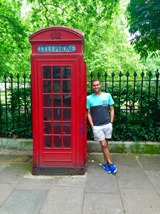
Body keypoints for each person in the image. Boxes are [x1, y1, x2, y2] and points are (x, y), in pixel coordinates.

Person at [87, 79, 117, 174]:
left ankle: (105, 163)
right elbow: (88, 113)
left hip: (107, 124)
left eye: (97, 85)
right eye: (94, 85)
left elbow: (112, 109)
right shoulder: (89, 98)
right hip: (97, 126)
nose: (96, 87)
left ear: (100, 85)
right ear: (92, 87)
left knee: (105, 145)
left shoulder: (107, 95)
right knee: (104, 144)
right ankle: (110, 163)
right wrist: (92, 126)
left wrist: (111, 122)